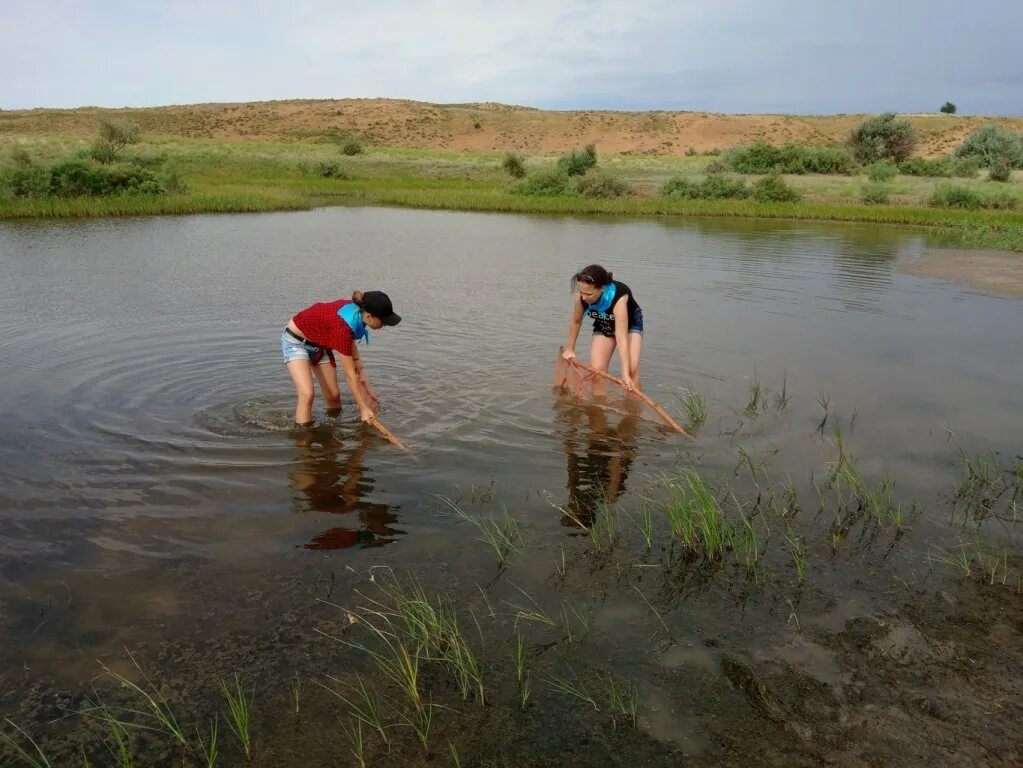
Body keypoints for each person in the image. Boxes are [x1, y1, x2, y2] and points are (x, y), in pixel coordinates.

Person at [281, 290, 401, 427]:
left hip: (320, 343)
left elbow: (356, 361)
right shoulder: (342, 327)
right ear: (369, 316)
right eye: (383, 321)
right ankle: (303, 438)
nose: (384, 325)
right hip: (295, 341)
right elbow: (350, 374)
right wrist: (363, 408)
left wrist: (368, 390)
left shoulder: (358, 313)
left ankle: (331, 430)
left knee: (334, 397)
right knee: (307, 394)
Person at [561, 264, 643, 392]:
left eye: (588, 294)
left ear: (602, 288)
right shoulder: (581, 298)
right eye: (581, 292)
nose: (583, 297)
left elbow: (621, 339)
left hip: (630, 324)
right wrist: (570, 349)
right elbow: (576, 322)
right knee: (597, 370)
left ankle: (633, 406)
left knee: (631, 369)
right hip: (603, 321)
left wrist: (625, 374)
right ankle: (598, 407)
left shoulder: (618, 297)